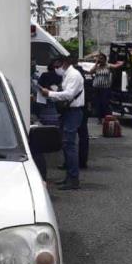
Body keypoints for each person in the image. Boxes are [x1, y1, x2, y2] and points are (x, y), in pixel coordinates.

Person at [40, 56, 85, 190]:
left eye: (57, 65)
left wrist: (50, 94)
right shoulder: (67, 75)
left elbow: (68, 94)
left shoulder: (74, 75)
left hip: (74, 112)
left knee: (69, 144)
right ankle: (69, 177)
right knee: (66, 144)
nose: (56, 69)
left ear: (64, 64)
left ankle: (73, 178)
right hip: (68, 112)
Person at [89, 53, 113, 124]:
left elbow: (115, 66)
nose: (101, 60)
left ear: (105, 59)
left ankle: (105, 118)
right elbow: (91, 71)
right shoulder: (97, 67)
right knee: (98, 104)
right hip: (96, 88)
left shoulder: (108, 66)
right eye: (99, 58)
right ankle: (99, 118)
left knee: (105, 103)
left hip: (105, 88)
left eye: (102, 58)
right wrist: (96, 63)